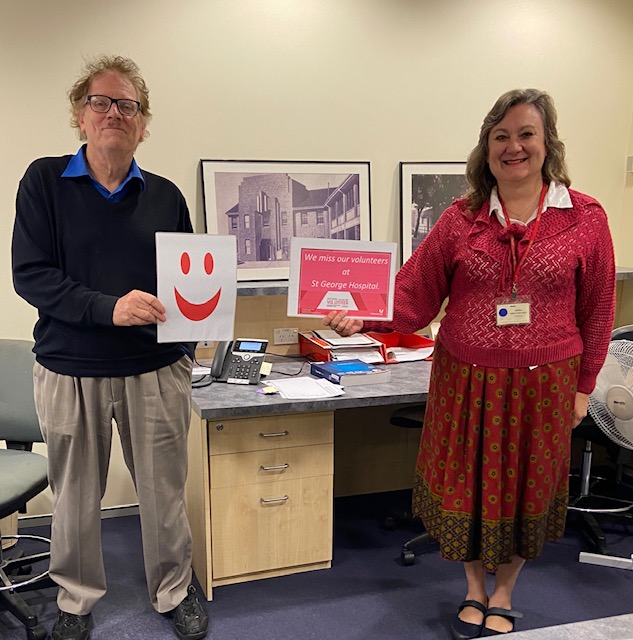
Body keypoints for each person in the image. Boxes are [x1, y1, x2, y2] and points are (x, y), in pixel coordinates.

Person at [324, 89, 615, 638]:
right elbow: (413, 295)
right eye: (500, 136)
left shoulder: (586, 219)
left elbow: (597, 311)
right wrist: (364, 315)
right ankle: (474, 589)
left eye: (526, 134)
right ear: (486, 148)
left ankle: (504, 589)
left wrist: (584, 389)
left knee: (527, 487)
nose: (514, 147)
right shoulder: (460, 219)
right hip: (466, 379)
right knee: (467, 485)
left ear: (547, 144)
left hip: (546, 385)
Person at [12, 55, 208, 640]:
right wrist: (109, 307)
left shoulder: (166, 195)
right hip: (70, 369)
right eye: (101, 101)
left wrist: (188, 348)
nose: (113, 113)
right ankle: (75, 601)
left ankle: (174, 589)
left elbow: (191, 285)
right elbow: (32, 275)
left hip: (154, 370)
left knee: (165, 493)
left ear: (143, 124)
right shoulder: (44, 182)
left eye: (128, 105)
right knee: (74, 498)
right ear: (80, 115)